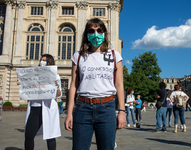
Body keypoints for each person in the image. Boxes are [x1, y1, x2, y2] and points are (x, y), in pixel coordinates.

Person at [64, 18, 126, 150]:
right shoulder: (78, 56)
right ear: (86, 34)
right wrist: (69, 113)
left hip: (107, 108)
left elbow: (119, 85)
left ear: (104, 33)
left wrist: (122, 111)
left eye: (99, 30)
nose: (95, 33)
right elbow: (73, 86)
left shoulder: (115, 56)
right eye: (91, 30)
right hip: (82, 108)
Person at [19, 54, 62, 150]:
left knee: (50, 136)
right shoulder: (34, 74)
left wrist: (57, 86)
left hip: (48, 107)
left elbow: (59, 94)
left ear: (49, 62)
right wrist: (22, 84)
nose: (42, 62)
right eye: (41, 60)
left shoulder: (55, 75)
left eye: (45, 60)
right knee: (29, 135)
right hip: (35, 107)